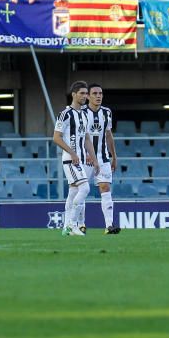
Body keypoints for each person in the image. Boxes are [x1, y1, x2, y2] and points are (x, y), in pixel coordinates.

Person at [52, 81, 99, 237]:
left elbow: (86, 138)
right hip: (70, 159)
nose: (85, 96)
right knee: (84, 188)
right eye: (82, 93)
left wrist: (94, 158)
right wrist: (72, 153)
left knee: (73, 192)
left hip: (79, 159)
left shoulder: (84, 115)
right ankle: (72, 225)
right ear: (73, 94)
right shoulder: (65, 114)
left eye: (86, 93)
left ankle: (66, 227)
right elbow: (56, 138)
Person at [84, 84, 119, 235]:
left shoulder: (107, 112)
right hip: (85, 158)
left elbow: (109, 134)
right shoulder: (81, 112)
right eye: (95, 93)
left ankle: (109, 225)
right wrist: (84, 152)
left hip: (103, 157)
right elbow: (77, 135)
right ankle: (79, 224)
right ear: (88, 96)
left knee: (105, 188)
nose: (98, 96)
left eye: (100, 93)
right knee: (82, 191)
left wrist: (114, 156)